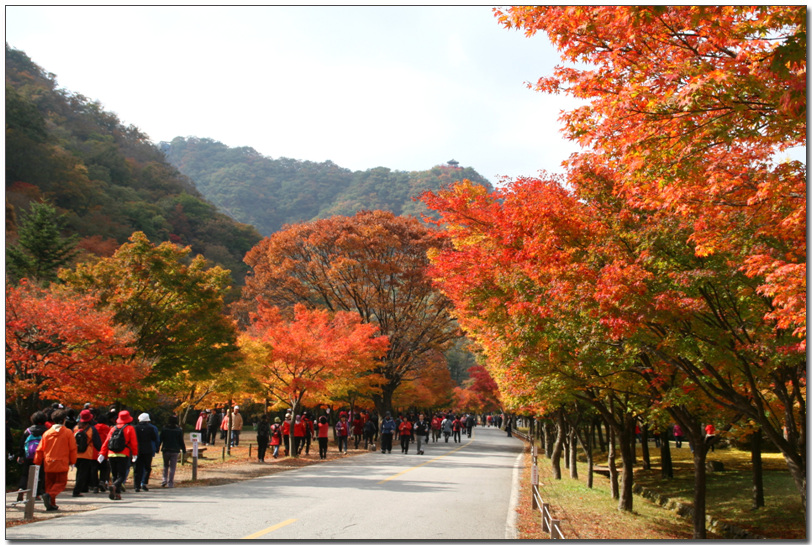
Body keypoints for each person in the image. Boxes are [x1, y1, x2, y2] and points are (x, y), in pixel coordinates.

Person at [34, 409, 78, 511]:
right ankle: (49, 496)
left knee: (49, 484)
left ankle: (51, 504)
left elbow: (40, 449)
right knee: (61, 484)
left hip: (48, 462)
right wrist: (73, 461)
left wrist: (37, 462)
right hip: (61, 462)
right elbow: (72, 448)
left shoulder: (47, 433)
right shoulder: (67, 432)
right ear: (63, 420)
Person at [99, 410, 138, 501]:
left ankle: (117, 493)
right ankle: (115, 486)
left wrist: (102, 453)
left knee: (114, 474)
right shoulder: (130, 428)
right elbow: (134, 443)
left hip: (111, 454)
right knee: (122, 475)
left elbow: (107, 441)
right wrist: (135, 454)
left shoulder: (113, 428)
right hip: (123, 453)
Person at [16, 411, 48, 502]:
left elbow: (22, 444)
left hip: (28, 456)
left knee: (25, 474)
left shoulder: (28, 431)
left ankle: (22, 488)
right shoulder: (46, 431)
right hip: (41, 456)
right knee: (40, 475)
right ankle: (37, 494)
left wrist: (20, 455)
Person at [72, 409, 101, 497]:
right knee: (83, 473)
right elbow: (97, 443)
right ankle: (77, 490)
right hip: (87, 453)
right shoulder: (92, 429)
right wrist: (101, 451)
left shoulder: (75, 428)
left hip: (76, 453)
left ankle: (82, 488)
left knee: (79, 471)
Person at [134, 413, 160, 491]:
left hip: (138, 450)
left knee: (137, 468)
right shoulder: (151, 428)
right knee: (147, 467)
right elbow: (154, 438)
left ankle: (136, 485)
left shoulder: (135, 428)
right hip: (148, 449)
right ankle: (144, 483)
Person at [159, 415, 186, 488]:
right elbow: (181, 441)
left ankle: (164, 479)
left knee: (165, 465)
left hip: (166, 449)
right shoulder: (178, 430)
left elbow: (160, 439)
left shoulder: (164, 429)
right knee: (172, 467)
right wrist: (184, 449)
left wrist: (157, 447)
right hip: (175, 450)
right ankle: (170, 482)